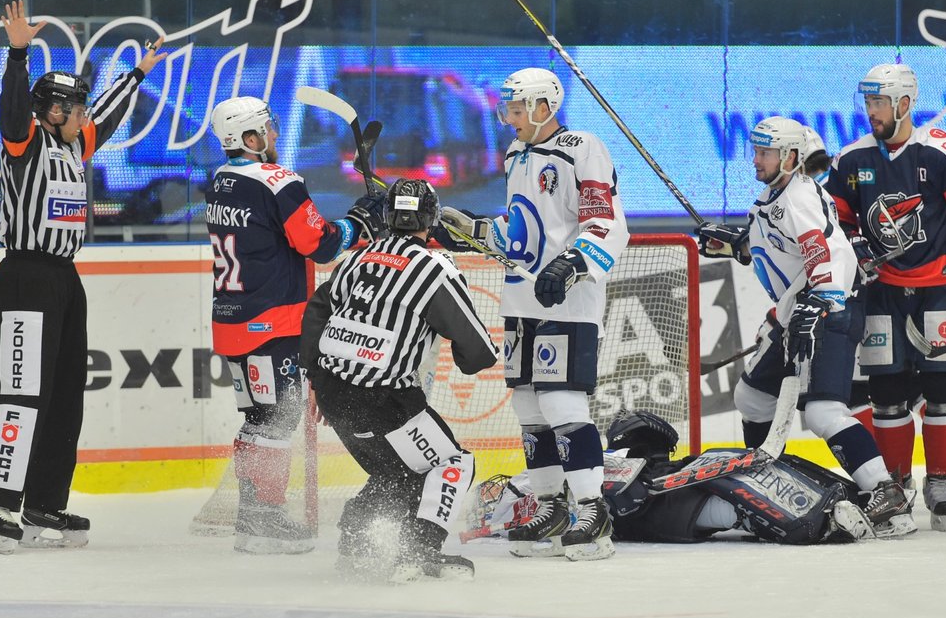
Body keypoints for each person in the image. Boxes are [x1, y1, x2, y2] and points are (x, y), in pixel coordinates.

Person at [0, 1, 167, 554]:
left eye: (81, 105)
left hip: (64, 279)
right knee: (23, 393)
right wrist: (18, 51)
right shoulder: (24, 140)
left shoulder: (77, 144)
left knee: (63, 396)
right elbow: (11, 106)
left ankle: (42, 503)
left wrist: (140, 74)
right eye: (73, 105)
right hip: (26, 275)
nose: (83, 113)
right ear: (50, 110)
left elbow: (113, 113)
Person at [434, 67, 629, 561]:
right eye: (507, 109)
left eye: (517, 109)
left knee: (563, 405)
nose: (509, 118)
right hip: (521, 295)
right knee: (527, 406)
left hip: (568, 297)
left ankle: (592, 509)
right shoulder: (515, 155)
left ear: (545, 106)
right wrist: (472, 229)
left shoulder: (580, 148)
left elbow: (605, 221)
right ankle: (551, 508)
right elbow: (522, 232)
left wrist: (573, 261)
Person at [697, 116, 914, 537]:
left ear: (790, 157)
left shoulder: (798, 197)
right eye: (755, 151)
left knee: (822, 410)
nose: (756, 159)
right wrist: (735, 244)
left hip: (827, 310)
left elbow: (823, 251)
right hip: (800, 309)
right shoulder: (776, 197)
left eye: (765, 153)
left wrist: (819, 303)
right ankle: (766, 484)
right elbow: (782, 249)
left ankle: (885, 492)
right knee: (752, 397)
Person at [206, 95, 387, 554]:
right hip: (272, 323)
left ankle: (252, 517)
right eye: (267, 128)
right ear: (249, 138)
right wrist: (359, 221)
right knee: (276, 422)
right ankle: (262, 519)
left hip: (232, 321)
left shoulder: (221, 180)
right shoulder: (277, 180)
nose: (275, 135)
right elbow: (320, 245)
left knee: (258, 420)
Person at [300, 178, 499, 583]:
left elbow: (318, 308)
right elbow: (477, 351)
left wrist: (317, 379)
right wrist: (469, 355)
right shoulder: (434, 269)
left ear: (389, 217)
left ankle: (354, 543)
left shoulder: (358, 258)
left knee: (399, 474)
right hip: (384, 400)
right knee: (452, 465)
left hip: (336, 397)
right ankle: (420, 551)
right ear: (432, 218)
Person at [825, 63, 946, 530]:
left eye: (879, 103)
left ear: (903, 104)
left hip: (942, 285)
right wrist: (853, 242)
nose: (871, 112)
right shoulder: (851, 160)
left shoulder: (945, 152)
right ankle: (896, 483)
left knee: (942, 389)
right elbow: (834, 218)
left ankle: (939, 479)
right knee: (887, 394)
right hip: (882, 291)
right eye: (868, 103)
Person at [466, 410, 880, 545]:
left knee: (734, 464)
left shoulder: (536, 483)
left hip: (652, 505)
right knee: (726, 483)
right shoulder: (522, 496)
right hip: (647, 511)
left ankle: (840, 497)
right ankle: (818, 517)